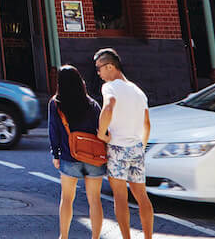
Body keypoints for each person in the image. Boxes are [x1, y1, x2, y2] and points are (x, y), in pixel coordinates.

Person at [95, 48, 153, 239]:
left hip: (117, 147)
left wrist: (102, 133)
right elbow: (147, 123)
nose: (99, 73)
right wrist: (141, 146)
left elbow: (109, 107)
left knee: (120, 197)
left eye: (99, 68)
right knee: (142, 196)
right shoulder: (138, 91)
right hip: (136, 147)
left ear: (110, 66)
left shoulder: (110, 87)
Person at [49, 63, 104, 239]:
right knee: (94, 200)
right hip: (94, 157)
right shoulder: (92, 104)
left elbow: (53, 130)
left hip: (69, 155)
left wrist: (55, 154)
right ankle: (95, 237)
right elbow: (101, 129)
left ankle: (63, 236)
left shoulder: (56, 104)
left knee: (66, 199)